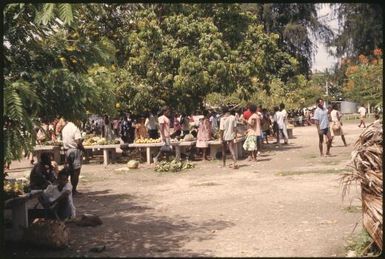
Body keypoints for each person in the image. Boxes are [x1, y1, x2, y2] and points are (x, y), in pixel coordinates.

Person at [61, 118, 85, 195]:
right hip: (75, 150)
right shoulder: (75, 128)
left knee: (68, 170)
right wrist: (83, 149)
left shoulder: (65, 128)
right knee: (76, 171)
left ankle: (64, 187)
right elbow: (78, 142)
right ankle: (73, 190)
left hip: (67, 150)